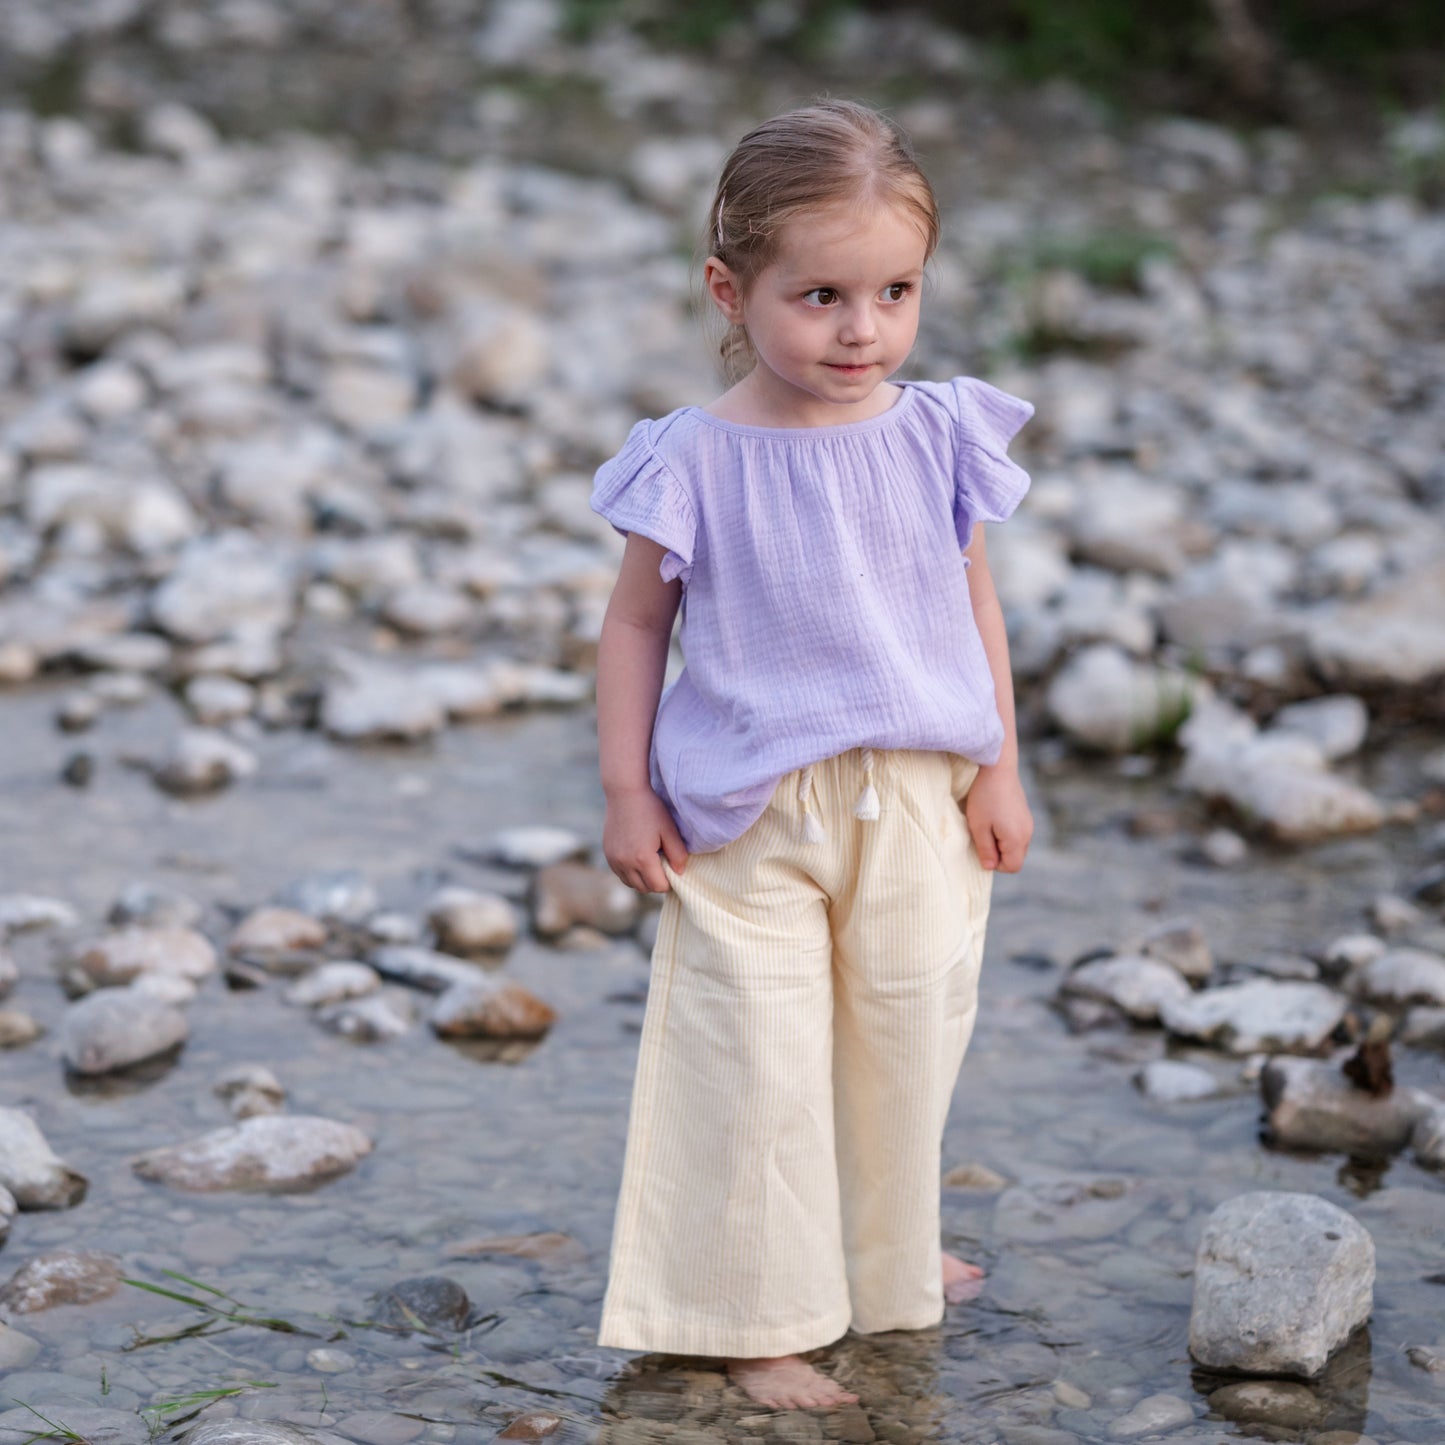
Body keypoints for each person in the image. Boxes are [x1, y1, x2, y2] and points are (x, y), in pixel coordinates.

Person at [590, 99, 1035, 1412]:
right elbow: (633, 624)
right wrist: (626, 789)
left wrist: (999, 766)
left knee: (906, 1035)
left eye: (893, 291)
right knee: (750, 1057)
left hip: (917, 793)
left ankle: (879, 1258)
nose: (861, 329)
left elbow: (974, 607)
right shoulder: (692, 458)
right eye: (821, 294)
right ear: (732, 289)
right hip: (745, 808)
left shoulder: (933, 430)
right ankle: (747, 1310)